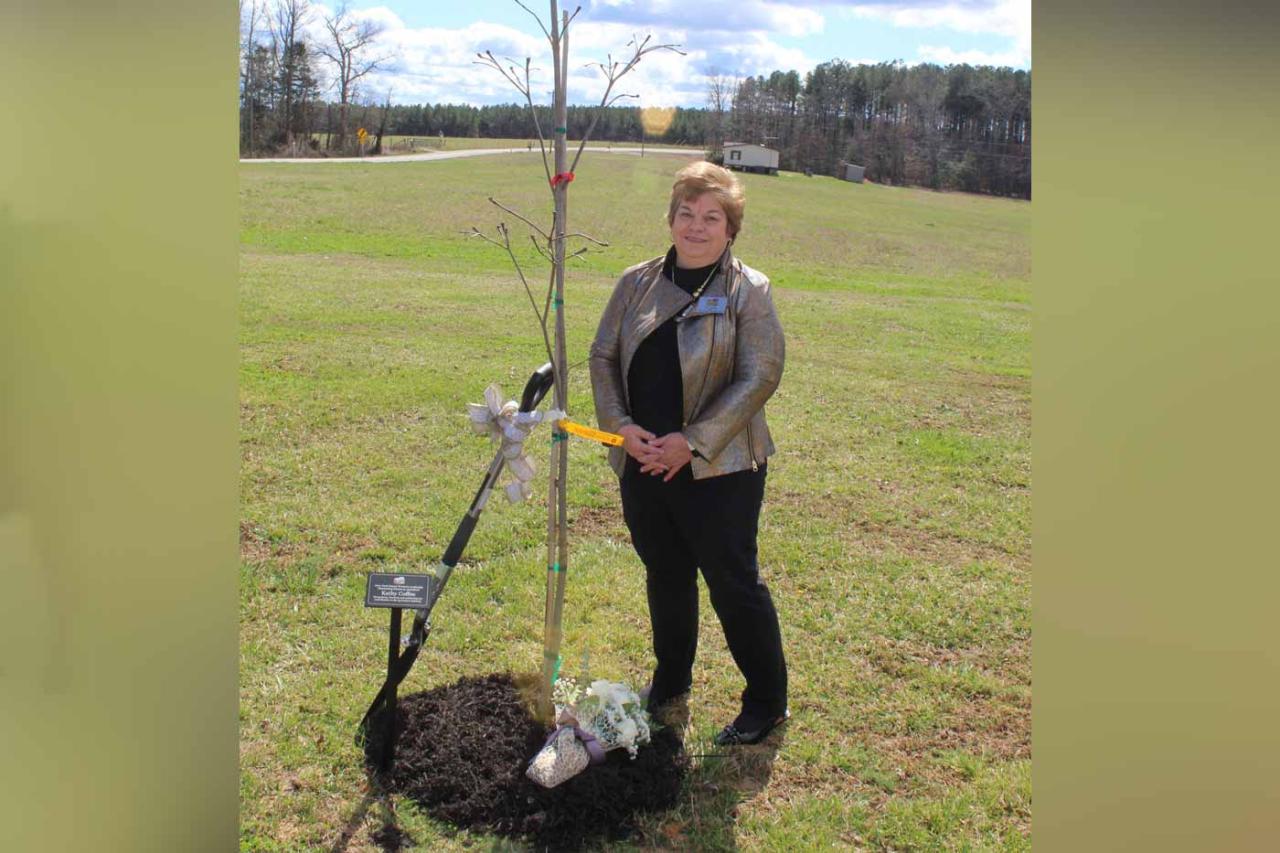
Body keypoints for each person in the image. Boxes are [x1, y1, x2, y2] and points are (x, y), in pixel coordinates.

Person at [589, 161, 789, 746]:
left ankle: (766, 703)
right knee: (666, 575)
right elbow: (603, 357)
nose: (696, 227)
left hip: (720, 470)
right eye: (686, 214)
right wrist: (620, 427)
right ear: (670, 218)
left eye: (712, 218)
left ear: (731, 230)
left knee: (734, 582)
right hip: (644, 462)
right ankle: (671, 681)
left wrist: (693, 442)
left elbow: (761, 375)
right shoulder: (635, 282)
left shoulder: (748, 290)